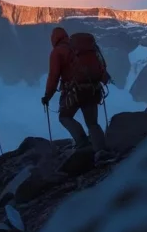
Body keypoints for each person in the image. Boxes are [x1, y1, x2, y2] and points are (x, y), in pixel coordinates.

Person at [41, 27, 110, 161]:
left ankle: (82, 143)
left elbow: (53, 76)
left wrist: (47, 96)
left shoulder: (57, 52)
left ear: (54, 39)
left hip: (75, 92)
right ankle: (101, 151)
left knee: (65, 117)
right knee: (92, 123)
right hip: (93, 88)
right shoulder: (85, 47)